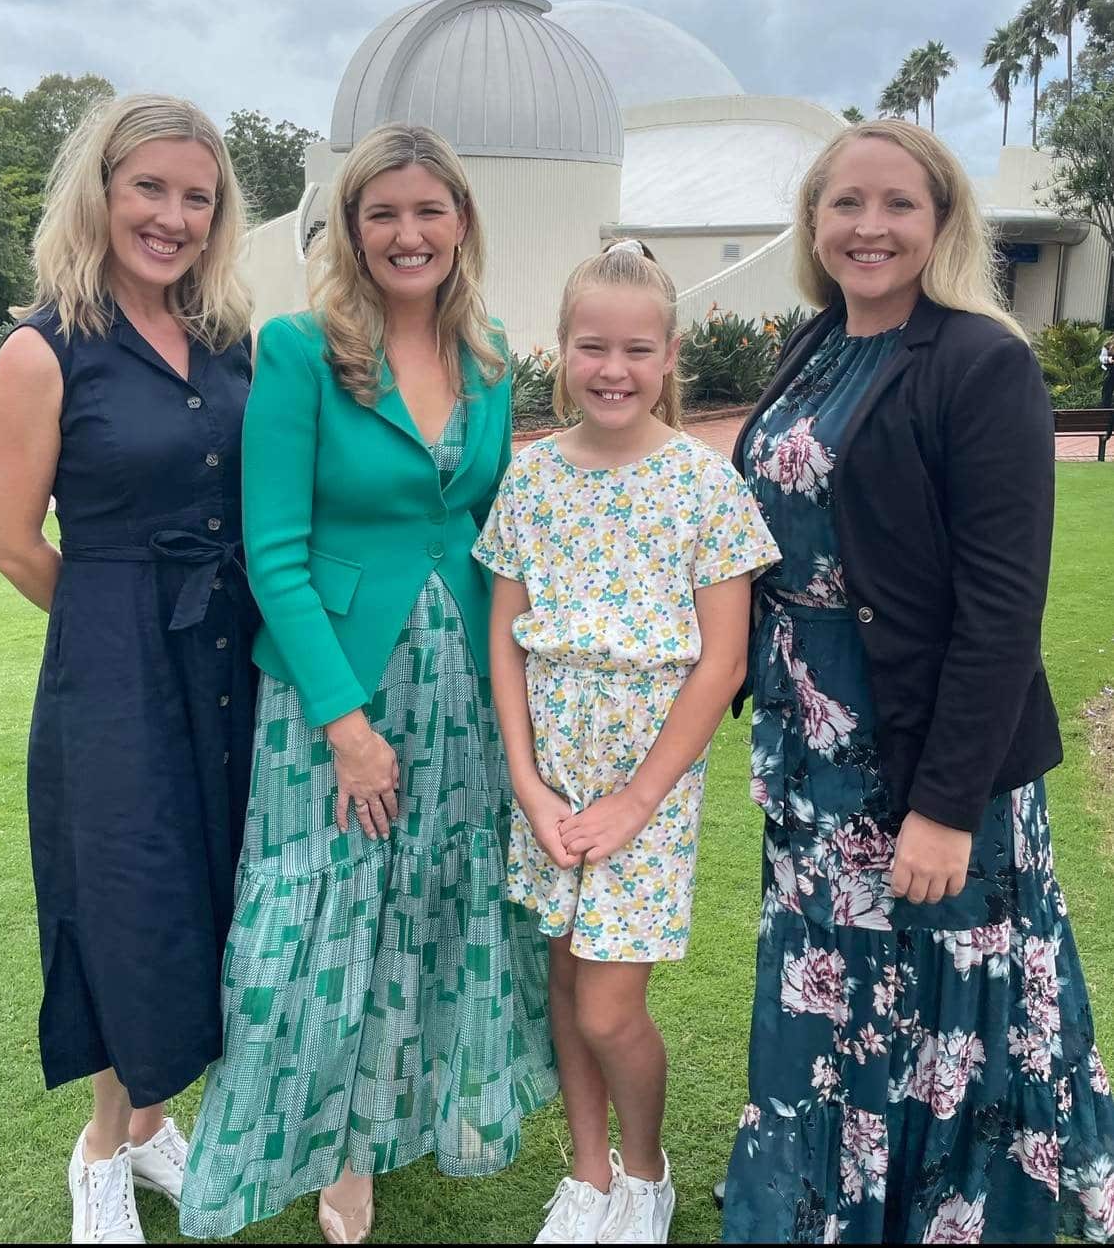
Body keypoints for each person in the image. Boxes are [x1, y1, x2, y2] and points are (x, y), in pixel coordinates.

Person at [718, 120, 1114, 1244]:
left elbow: (1000, 613)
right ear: (812, 222)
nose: (868, 226)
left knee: (941, 992)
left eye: (897, 204)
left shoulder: (980, 363)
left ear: (941, 222)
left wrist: (944, 810)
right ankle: (825, 1191)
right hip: (810, 739)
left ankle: (945, 1205)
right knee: (828, 976)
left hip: (926, 746)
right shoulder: (814, 344)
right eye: (844, 203)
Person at [179, 123, 556, 1243]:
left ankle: (398, 1118)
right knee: (313, 916)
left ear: (460, 225)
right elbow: (274, 551)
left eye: (427, 211)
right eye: (381, 213)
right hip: (333, 680)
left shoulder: (488, 354)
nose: (407, 233)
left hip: (467, 679)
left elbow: (489, 526)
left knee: (437, 906)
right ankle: (331, 1151)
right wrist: (343, 720)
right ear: (349, 229)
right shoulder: (298, 349)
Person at [0, 94, 257, 1245]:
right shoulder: (40, 351)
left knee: (216, 892)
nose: (172, 216)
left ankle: (154, 1130)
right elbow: (7, 540)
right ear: (100, 190)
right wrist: (115, 628)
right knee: (126, 901)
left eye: (197, 196)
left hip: (236, 664)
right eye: (150, 187)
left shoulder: (234, 343)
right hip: (116, 676)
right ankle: (103, 1148)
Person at [474, 240, 779, 1245]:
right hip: (549, 785)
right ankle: (586, 1175)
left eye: (634, 349)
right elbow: (505, 643)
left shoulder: (703, 485)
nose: (612, 368)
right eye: (591, 346)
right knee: (562, 980)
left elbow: (721, 662)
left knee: (609, 1006)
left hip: (646, 788)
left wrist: (634, 800)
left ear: (667, 356)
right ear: (558, 351)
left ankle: (644, 1176)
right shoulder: (528, 480)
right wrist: (525, 783)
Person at [1101, 336, 1113, 409]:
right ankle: (1106, 409)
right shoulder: (1108, 345)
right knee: (1107, 391)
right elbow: (1102, 358)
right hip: (1110, 371)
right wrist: (1108, 359)